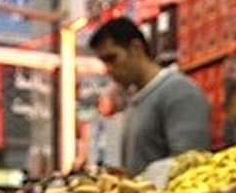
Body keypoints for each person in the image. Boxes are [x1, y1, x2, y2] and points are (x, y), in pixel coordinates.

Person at [88, 17, 211, 175]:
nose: (109, 69)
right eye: (104, 62)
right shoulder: (135, 100)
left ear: (136, 48)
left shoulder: (179, 92)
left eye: (112, 58)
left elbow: (190, 165)